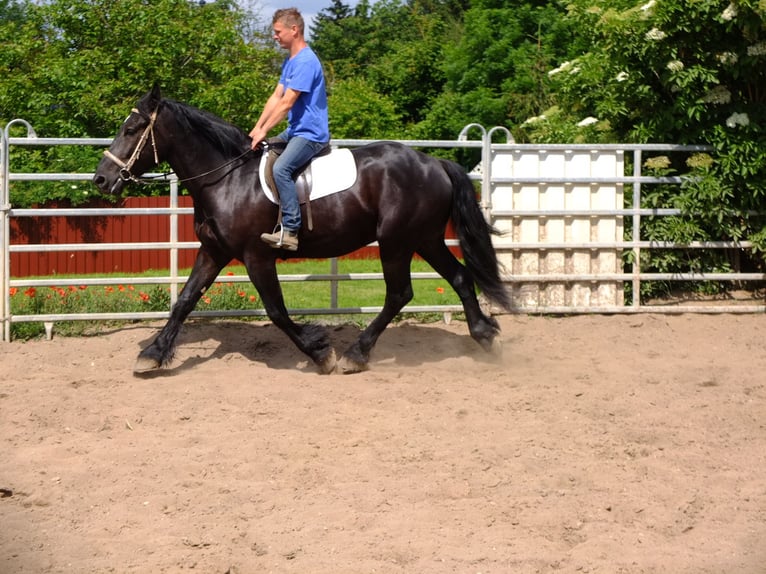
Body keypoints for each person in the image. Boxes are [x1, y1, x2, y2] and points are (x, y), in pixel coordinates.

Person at [249, 7, 330, 251]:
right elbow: (276, 96)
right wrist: (257, 127)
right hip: (295, 131)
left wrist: (264, 130)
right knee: (263, 154)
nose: (275, 36)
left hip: (311, 134)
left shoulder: (306, 61)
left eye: (277, 31)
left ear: (294, 30)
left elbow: (287, 103)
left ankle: (291, 229)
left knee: (282, 169)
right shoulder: (291, 61)